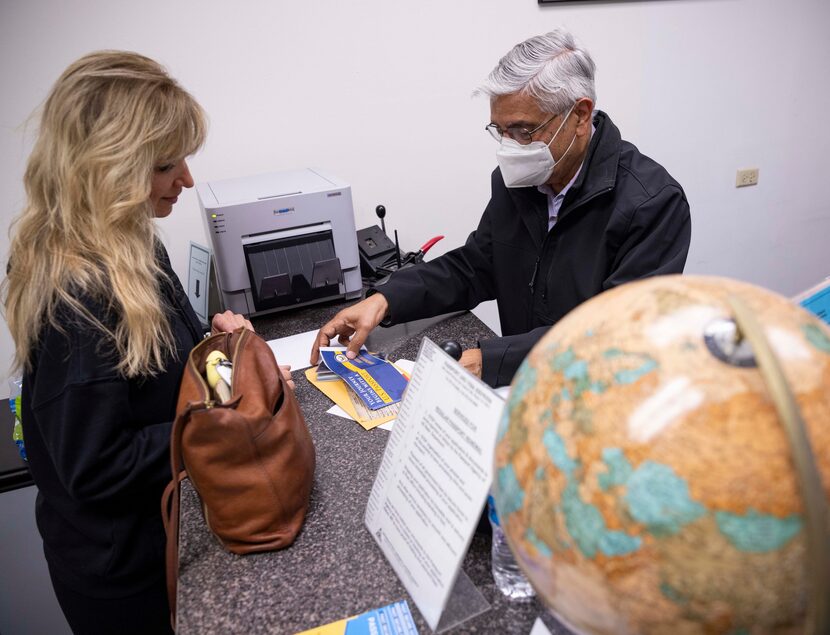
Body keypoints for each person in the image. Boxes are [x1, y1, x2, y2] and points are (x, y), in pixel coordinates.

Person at [2, 51, 290, 634]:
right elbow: (97, 465)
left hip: (172, 524)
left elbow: (169, 376)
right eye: (165, 164)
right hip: (125, 573)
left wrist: (222, 356)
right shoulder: (75, 294)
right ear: (104, 167)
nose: (186, 178)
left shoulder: (135, 244)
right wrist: (235, 423)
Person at [311, 29, 691, 386]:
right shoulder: (519, 179)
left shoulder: (652, 203)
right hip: (524, 388)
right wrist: (387, 298)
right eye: (500, 130)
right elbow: (476, 266)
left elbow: (617, 334)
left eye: (524, 131)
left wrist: (490, 360)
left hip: (600, 396)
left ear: (579, 115)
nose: (510, 147)